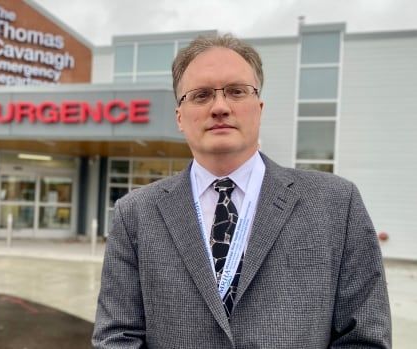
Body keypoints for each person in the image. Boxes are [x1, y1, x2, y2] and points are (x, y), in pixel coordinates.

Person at [92, 34, 391, 348]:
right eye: (201, 95)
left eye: (236, 91)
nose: (220, 107)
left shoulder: (336, 204)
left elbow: (364, 338)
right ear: (180, 117)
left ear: (259, 107)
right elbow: (117, 336)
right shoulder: (136, 213)